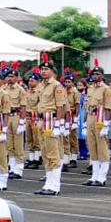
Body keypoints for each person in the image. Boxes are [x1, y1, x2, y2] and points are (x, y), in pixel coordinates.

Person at [34, 59, 68, 196]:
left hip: (52, 120)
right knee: (45, 153)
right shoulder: (41, 85)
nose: (43, 71)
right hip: (43, 120)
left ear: (53, 72)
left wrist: (59, 124)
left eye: (46, 69)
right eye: (41, 69)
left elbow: (61, 106)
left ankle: (55, 185)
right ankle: (48, 183)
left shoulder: (57, 86)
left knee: (54, 153)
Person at [83, 61, 111, 186]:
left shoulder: (106, 89)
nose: (95, 76)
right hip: (90, 117)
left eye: (97, 74)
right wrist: (85, 123)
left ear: (102, 75)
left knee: (102, 148)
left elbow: (108, 108)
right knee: (92, 146)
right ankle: (94, 176)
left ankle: (102, 177)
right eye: (93, 74)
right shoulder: (90, 88)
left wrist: (106, 124)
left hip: (100, 119)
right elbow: (87, 106)